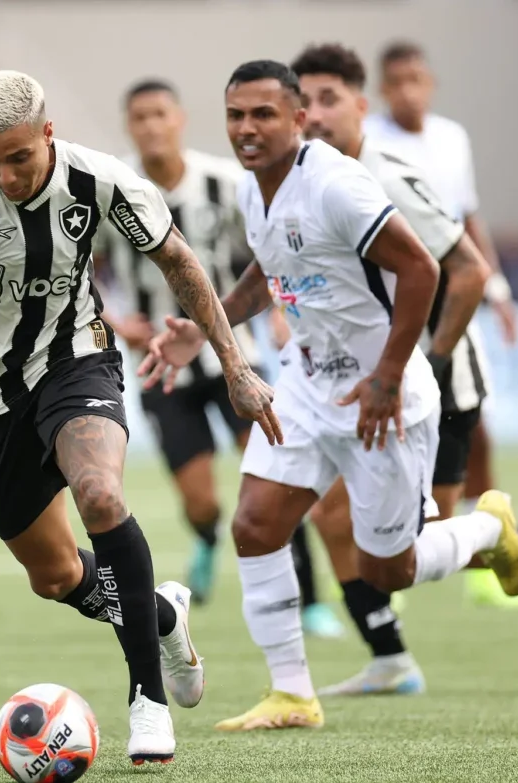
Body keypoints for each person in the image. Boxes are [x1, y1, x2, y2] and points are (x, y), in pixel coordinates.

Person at [0, 70, 278, 764]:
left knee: (102, 494)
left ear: (47, 134)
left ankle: (148, 703)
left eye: (18, 158)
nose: (6, 175)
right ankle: (163, 614)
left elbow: (180, 263)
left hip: (76, 362)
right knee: (53, 577)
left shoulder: (100, 180)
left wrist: (235, 365)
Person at [139, 59, 518, 732]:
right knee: (256, 524)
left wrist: (387, 374)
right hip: (308, 382)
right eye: (236, 115)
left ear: (297, 119)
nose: (247, 128)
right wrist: (205, 330)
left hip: (382, 394)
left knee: (390, 569)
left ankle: (488, 530)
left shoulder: (337, 185)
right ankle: (293, 694)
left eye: (264, 114)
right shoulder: (250, 191)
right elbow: (269, 272)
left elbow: (421, 269)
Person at [288, 43, 518, 696]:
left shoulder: (388, 172)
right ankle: (389, 656)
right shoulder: (306, 178)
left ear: (362, 105)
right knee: (330, 515)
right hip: (364, 376)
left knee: (417, 546)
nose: (315, 115)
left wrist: (425, 366)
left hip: (433, 379)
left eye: (329, 99)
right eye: (305, 103)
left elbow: (468, 268)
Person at [364, 41, 518, 612]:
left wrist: (497, 289)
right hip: (382, 315)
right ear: (379, 91)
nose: (407, 90)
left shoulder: (450, 139)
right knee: (370, 458)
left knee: (466, 438)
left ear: (429, 82)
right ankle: (377, 584)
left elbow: (464, 216)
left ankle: (396, 580)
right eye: (396, 81)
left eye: (416, 79)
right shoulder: (361, 146)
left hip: (440, 314)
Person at [97, 78, 343, 636]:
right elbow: (77, 269)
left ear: (179, 119)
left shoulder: (224, 184)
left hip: (237, 358)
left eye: (160, 114)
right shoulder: (115, 192)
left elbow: (270, 252)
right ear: (129, 127)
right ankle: (207, 537)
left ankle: (309, 601)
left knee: (275, 476)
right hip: (163, 365)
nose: (152, 126)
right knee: (201, 500)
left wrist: (280, 313)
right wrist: (115, 320)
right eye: (140, 118)